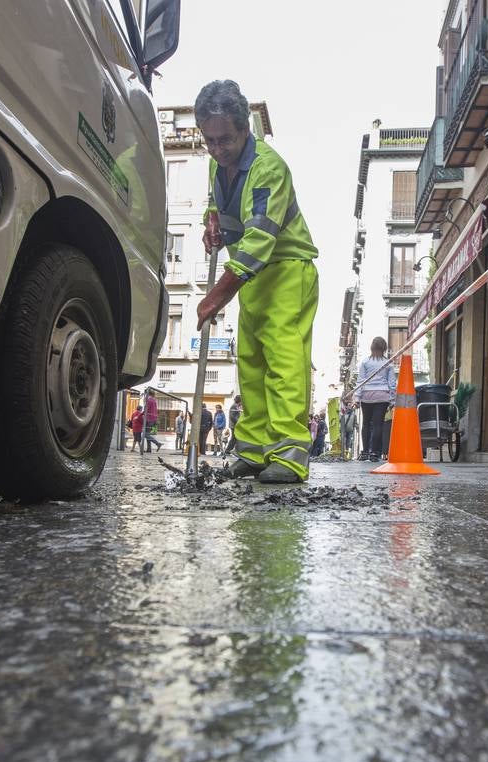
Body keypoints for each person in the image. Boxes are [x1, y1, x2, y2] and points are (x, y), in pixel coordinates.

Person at [193, 80, 320, 485]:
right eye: (209, 141)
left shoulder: (268, 168)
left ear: (245, 128)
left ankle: (289, 452)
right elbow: (218, 202)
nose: (217, 149)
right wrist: (210, 220)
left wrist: (216, 296)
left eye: (225, 140)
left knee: (283, 362)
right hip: (251, 279)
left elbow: (259, 240)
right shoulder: (217, 162)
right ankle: (253, 450)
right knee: (250, 363)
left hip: (285, 270)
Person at [354, 336, 397, 461]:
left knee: (366, 423)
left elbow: (360, 381)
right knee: (378, 425)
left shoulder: (365, 362)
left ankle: (365, 452)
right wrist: (392, 400)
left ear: (372, 347)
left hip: (366, 395)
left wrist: (357, 398)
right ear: (384, 348)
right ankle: (374, 453)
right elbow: (392, 383)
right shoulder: (388, 363)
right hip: (382, 396)